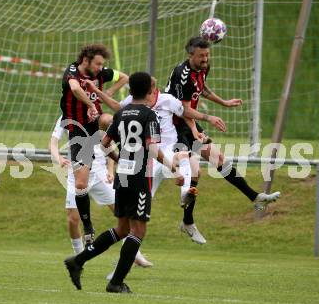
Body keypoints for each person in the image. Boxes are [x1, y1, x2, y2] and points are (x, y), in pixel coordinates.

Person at [64, 72, 183, 294]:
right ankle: (116, 282)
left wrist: (121, 158)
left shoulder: (121, 113)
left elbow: (105, 142)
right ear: (150, 91)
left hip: (122, 175)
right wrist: (173, 168)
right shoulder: (150, 115)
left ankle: (78, 261)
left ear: (130, 91)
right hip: (139, 177)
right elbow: (152, 147)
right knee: (138, 231)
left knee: (122, 229)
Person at [165, 37, 280, 243]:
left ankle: (255, 197)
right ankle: (188, 222)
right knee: (194, 172)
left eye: (207, 54)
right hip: (171, 126)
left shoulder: (203, 68)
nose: (205, 59)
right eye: (201, 55)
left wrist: (224, 103)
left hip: (186, 121)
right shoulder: (182, 74)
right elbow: (183, 109)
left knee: (219, 160)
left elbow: (202, 89)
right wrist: (203, 122)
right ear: (190, 55)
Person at [86, 76, 226, 245]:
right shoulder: (134, 104)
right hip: (148, 157)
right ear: (147, 91)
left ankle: (185, 193)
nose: (151, 95)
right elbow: (116, 108)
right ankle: (129, 250)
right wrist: (97, 92)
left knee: (188, 160)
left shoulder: (167, 100)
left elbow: (185, 112)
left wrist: (195, 130)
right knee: (138, 213)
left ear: (155, 90)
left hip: (166, 150)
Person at [49, 114, 153, 267]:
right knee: (73, 219)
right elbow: (52, 143)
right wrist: (59, 158)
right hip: (76, 173)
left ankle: (135, 254)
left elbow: (109, 144)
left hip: (99, 173)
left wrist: (110, 170)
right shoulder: (66, 115)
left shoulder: (97, 115)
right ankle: (79, 258)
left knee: (122, 214)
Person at [59, 44, 128, 246]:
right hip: (79, 134)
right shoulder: (72, 71)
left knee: (110, 120)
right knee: (80, 185)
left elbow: (124, 77)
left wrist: (104, 94)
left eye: (102, 65)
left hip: (96, 124)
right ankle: (88, 226)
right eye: (97, 64)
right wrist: (90, 104)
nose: (100, 68)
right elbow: (75, 89)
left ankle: (123, 154)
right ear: (86, 60)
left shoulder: (101, 73)